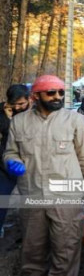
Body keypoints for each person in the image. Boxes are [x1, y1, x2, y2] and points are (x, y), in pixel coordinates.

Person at [4, 75, 84, 275]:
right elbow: (10, 151)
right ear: (35, 96)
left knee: (66, 253)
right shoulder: (19, 122)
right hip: (33, 196)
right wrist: (11, 161)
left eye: (60, 92)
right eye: (51, 93)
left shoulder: (74, 120)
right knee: (32, 256)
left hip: (67, 198)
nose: (57, 97)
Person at [0, 85, 30, 238]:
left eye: (21, 104)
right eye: (14, 104)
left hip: (30, 164)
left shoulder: (34, 113)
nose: (18, 107)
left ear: (29, 99)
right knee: (2, 197)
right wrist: (8, 118)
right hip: (6, 163)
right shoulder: (2, 112)